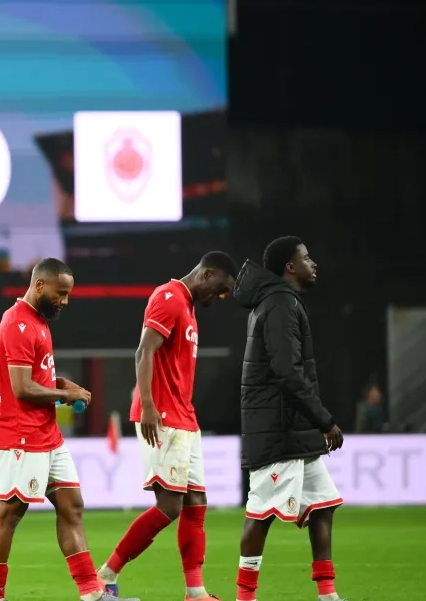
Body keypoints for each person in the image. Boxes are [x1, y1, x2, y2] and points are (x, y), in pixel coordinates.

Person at [99, 251, 238, 600]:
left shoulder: (188, 307)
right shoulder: (168, 297)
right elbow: (143, 351)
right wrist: (147, 405)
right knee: (170, 506)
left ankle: (195, 592)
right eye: (221, 288)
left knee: (196, 502)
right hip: (162, 415)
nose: (221, 297)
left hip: (184, 416)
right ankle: (106, 573)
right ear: (206, 274)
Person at [0, 257, 120, 601]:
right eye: (61, 293)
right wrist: (65, 395)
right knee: (10, 512)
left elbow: (37, 378)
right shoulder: (18, 322)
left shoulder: (38, 320)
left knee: (72, 505)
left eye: (68, 294)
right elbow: (21, 388)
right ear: (39, 285)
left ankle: (91, 592)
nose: (65, 301)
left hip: (47, 433)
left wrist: (60, 384)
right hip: (21, 433)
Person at [230, 237, 345, 601]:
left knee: (323, 505)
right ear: (290, 267)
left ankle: (327, 595)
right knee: (260, 515)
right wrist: (324, 420)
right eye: (306, 258)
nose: (314, 263)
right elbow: (288, 372)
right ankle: (245, 597)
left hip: (293, 429)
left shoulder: (279, 301)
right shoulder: (279, 303)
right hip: (277, 431)